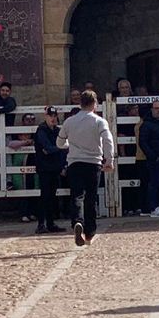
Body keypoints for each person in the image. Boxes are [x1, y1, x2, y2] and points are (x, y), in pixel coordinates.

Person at [57, 89, 114, 246]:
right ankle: (89, 232)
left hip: (74, 163)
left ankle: (77, 221)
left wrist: (70, 144)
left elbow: (59, 143)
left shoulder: (69, 122)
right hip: (93, 163)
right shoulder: (99, 121)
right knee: (90, 197)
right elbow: (108, 140)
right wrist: (109, 160)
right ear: (95, 104)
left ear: (80, 103)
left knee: (77, 195)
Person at [31, 107, 67, 234]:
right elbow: (48, 147)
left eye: (54, 115)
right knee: (45, 195)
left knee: (52, 196)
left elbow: (57, 148)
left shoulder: (57, 130)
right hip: (44, 168)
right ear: (45, 116)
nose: (53, 118)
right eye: (50, 115)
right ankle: (41, 224)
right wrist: (59, 148)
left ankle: (50, 223)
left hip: (55, 167)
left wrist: (56, 151)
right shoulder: (41, 130)